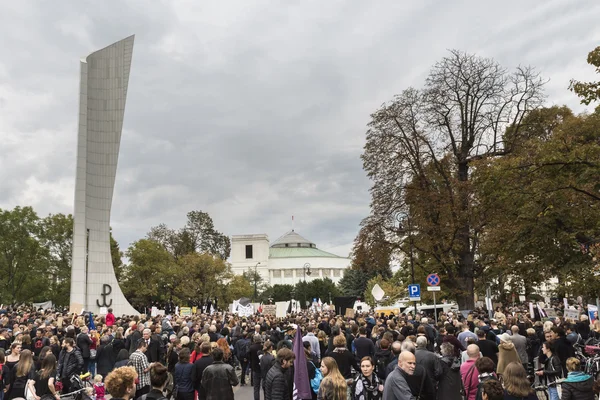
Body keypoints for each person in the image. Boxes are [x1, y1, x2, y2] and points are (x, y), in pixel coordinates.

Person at [249, 335, 263, 400]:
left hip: (255, 367)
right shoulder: (263, 347)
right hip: (263, 368)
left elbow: (248, 356)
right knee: (265, 386)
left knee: (256, 387)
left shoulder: (251, 347)